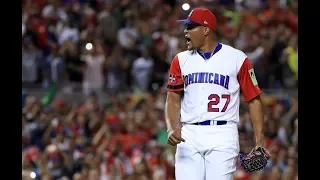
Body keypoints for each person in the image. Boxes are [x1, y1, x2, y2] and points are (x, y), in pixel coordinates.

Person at [165, 8, 270, 180]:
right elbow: (173, 97)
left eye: (191, 27)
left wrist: (260, 141)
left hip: (223, 132)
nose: (186, 31)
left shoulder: (237, 58)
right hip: (189, 134)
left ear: (206, 30)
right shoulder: (180, 59)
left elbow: (254, 99)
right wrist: (171, 128)